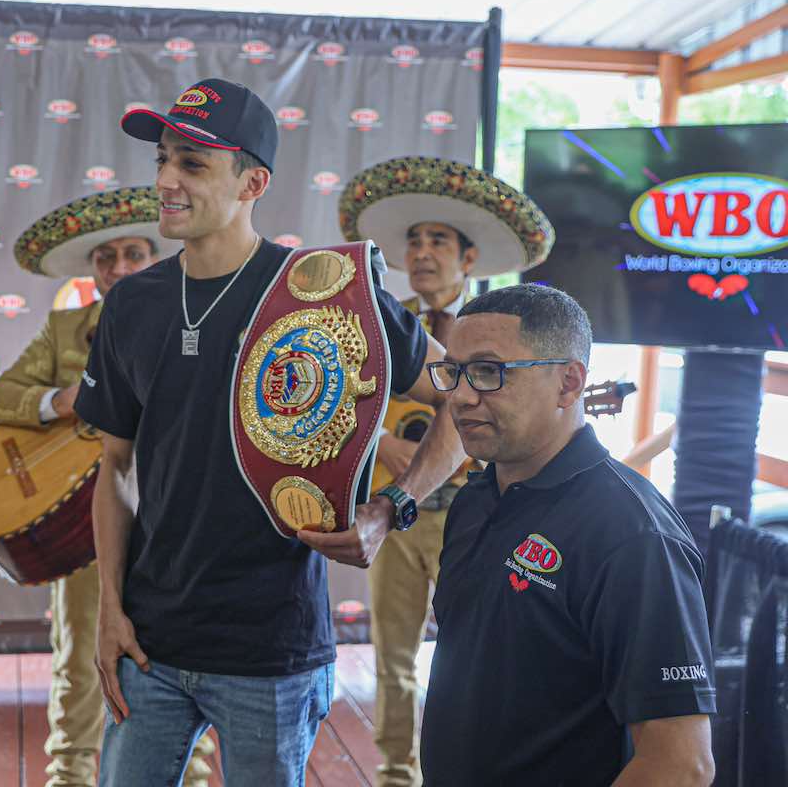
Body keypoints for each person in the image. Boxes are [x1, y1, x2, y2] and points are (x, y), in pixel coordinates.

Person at [73, 78, 467, 787]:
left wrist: (392, 508)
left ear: (253, 181)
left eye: (192, 164)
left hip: (272, 651)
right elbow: (116, 469)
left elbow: (465, 398)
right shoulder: (132, 303)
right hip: (149, 645)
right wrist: (109, 610)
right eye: (162, 159)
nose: (164, 180)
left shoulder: (327, 293)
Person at [420, 283, 716, 785]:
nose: (462, 397)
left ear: (569, 383)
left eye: (490, 372)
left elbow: (681, 764)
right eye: (454, 373)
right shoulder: (474, 498)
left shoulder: (633, 535)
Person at [0, 186, 215, 786]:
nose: (118, 269)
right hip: (85, 523)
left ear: (157, 256)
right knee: (79, 661)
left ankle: (188, 779)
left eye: (132, 255)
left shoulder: (197, 319)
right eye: (105, 258)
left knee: (182, 660)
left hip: (174, 524)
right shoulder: (66, 330)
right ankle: (69, 776)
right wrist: (67, 400)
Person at [338, 155, 554, 786]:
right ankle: (397, 774)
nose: (423, 252)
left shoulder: (498, 334)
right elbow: (332, 403)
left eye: (439, 241)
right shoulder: (375, 325)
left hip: (474, 516)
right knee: (393, 657)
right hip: (394, 516)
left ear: (468, 260)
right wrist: (382, 442)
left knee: (470, 656)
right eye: (414, 241)